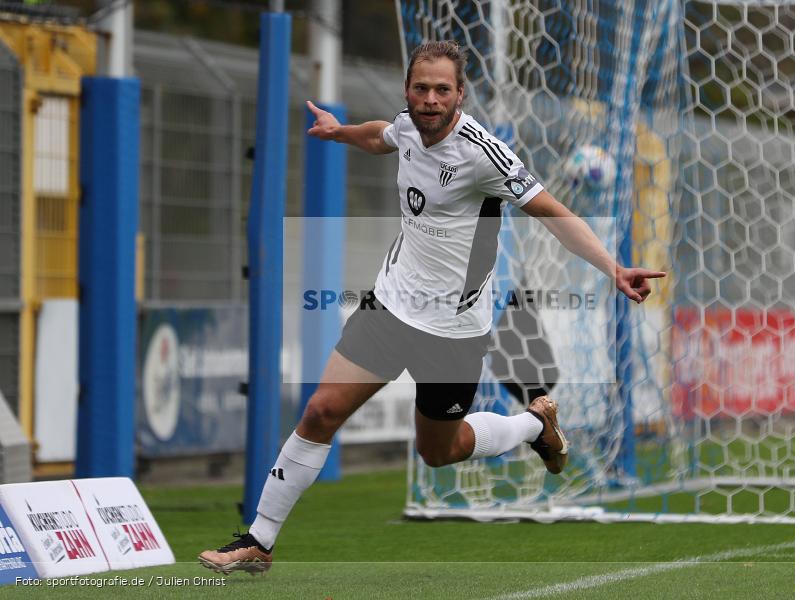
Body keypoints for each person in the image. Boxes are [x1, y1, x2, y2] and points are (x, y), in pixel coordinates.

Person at [199, 40, 665, 575]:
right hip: (391, 307)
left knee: (438, 453)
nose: (430, 99)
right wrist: (338, 132)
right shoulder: (406, 126)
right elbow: (382, 136)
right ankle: (259, 540)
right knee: (320, 412)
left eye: (442, 89)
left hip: (453, 331)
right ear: (408, 91)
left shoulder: (483, 155)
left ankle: (535, 426)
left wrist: (613, 267)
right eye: (421, 88)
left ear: (459, 95)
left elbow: (553, 213)